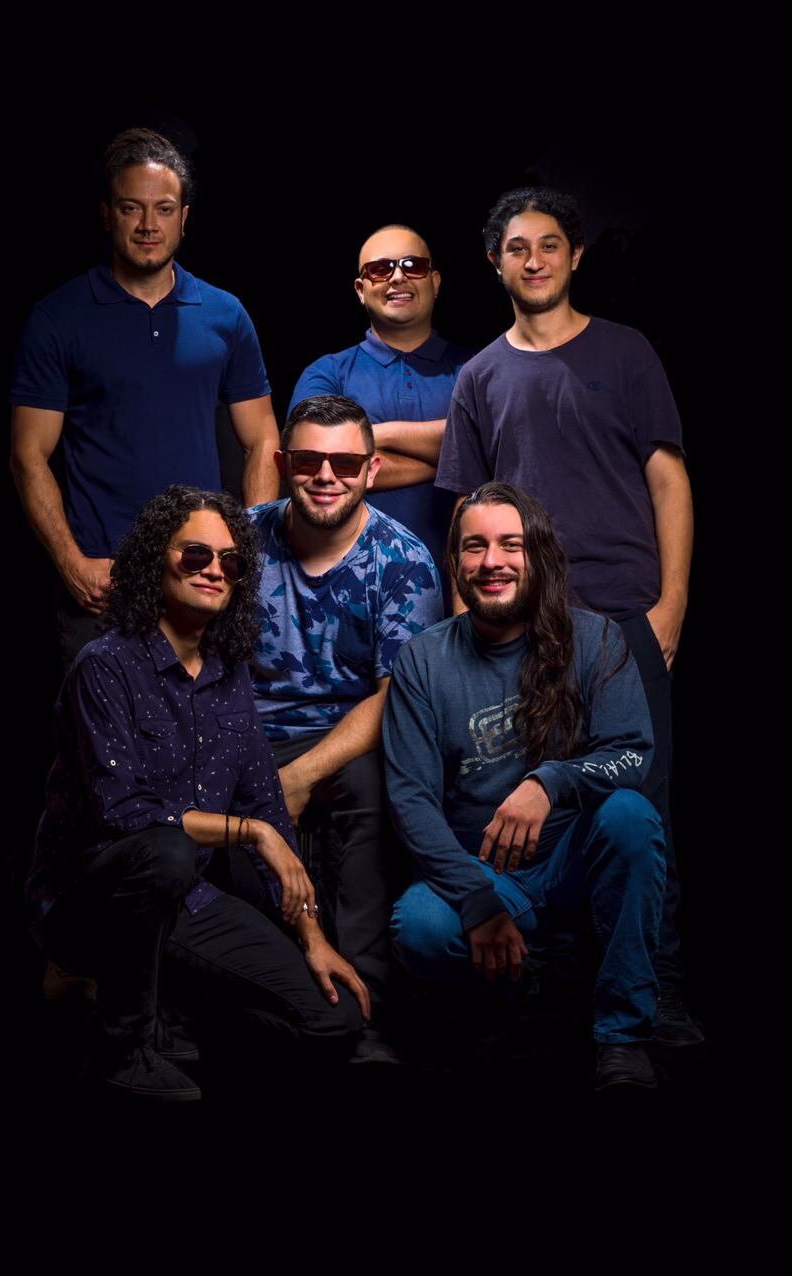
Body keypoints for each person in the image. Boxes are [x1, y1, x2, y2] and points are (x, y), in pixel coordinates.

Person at [435, 186, 699, 1043]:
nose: (535, 260)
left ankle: (656, 991)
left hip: (622, 620)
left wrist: (670, 605)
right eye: (517, 247)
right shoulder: (479, 376)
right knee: (532, 810)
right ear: (495, 263)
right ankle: (551, 990)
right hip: (523, 628)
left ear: (575, 256)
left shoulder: (625, 352)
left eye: (549, 245)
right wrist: (466, 629)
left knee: (638, 811)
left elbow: (667, 480)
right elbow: (465, 512)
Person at [28, 485, 368, 1102]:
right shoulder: (104, 665)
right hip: (93, 897)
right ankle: (120, 1047)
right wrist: (250, 834)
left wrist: (312, 937)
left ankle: (177, 1009)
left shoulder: (228, 674)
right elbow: (124, 814)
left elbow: (265, 803)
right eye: (195, 555)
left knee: (334, 1019)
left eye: (230, 562)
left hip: (187, 898)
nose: (214, 570)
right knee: (167, 849)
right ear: (155, 560)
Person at [384, 483, 666, 1089]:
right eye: (475, 546)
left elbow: (633, 757)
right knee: (421, 927)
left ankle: (622, 1036)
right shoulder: (423, 661)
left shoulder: (596, 638)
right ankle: (535, 989)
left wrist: (552, 781)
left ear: (537, 554)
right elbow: (411, 802)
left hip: (575, 865)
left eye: (510, 544)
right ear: (455, 561)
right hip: (485, 873)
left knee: (630, 816)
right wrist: (477, 901)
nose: (492, 562)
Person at [10, 128, 280, 666]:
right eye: (132, 208)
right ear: (107, 214)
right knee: (103, 722)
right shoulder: (59, 318)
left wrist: (242, 556)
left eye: (164, 209)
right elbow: (27, 454)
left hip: (202, 577)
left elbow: (263, 439)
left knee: (206, 719)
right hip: (104, 582)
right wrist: (71, 562)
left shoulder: (224, 315)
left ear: (185, 217)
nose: (148, 225)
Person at [249, 394, 443, 1027]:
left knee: (373, 787)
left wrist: (301, 776)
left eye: (345, 463)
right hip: (249, 730)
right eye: (308, 460)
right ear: (283, 464)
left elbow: (395, 698)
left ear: (371, 470)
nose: (325, 476)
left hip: (350, 736)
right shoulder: (240, 541)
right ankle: (232, 996)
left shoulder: (404, 561)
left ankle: (366, 1006)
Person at [289, 225, 469, 582]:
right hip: (344, 586)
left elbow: (496, 450)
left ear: (435, 282)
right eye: (380, 269)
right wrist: (457, 465)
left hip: (458, 586)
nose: (398, 277)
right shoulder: (327, 374)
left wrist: (377, 436)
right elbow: (319, 470)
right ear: (361, 289)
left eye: (413, 265)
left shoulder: (476, 371)